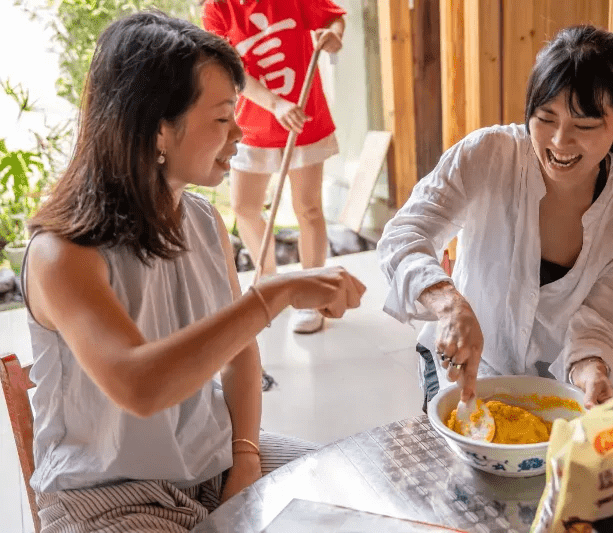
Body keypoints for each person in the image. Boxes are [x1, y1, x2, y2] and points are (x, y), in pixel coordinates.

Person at [21, 11, 365, 531]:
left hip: (214, 460)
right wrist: (270, 296)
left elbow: (239, 357)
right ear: (159, 129)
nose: (240, 133)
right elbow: (140, 386)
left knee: (357, 499)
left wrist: (246, 458)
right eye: (223, 117)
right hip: (109, 496)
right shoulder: (63, 254)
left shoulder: (202, 220)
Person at [377, 25, 613, 412]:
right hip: (464, 370)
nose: (560, 142)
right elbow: (403, 235)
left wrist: (592, 368)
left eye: (584, 126)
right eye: (546, 118)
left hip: (558, 385)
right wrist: (450, 305)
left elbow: (602, 320)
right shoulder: (488, 155)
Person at [203, 0, 346, 334]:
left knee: (308, 208)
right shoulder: (218, 9)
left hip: (304, 119)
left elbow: (334, 18)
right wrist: (275, 104)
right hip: (252, 126)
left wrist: (333, 37)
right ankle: (271, 284)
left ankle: (312, 295)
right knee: (244, 206)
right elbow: (229, 71)